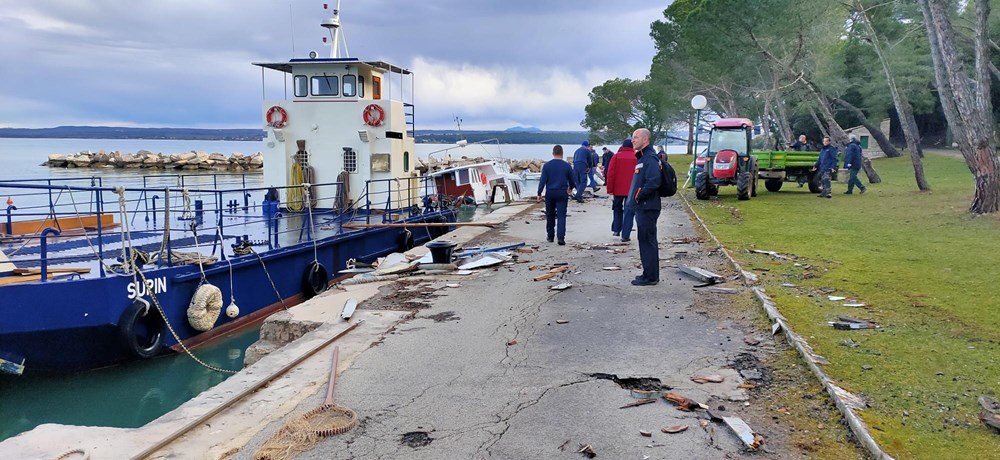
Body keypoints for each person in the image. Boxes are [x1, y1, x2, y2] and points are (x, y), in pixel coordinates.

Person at [625, 128, 662, 286]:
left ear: (645, 140)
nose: (633, 140)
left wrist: (639, 195)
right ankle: (648, 273)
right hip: (643, 206)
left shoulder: (650, 158)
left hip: (648, 206)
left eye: (636, 137)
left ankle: (651, 277)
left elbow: (654, 181)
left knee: (647, 240)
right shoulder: (642, 157)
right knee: (644, 240)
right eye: (632, 138)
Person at [537, 145, 575, 245]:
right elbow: (572, 179)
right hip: (562, 192)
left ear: (553, 153)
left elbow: (542, 180)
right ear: (562, 153)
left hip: (550, 192)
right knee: (562, 215)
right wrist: (571, 188)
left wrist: (539, 193)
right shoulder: (567, 165)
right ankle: (561, 238)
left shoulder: (547, 166)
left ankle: (550, 236)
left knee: (550, 215)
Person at [606, 138, 637, 241]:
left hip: (618, 189)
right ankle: (626, 234)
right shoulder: (636, 157)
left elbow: (610, 174)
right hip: (631, 189)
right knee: (629, 211)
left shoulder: (616, 157)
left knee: (617, 208)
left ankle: (616, 229)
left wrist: (610, 189)